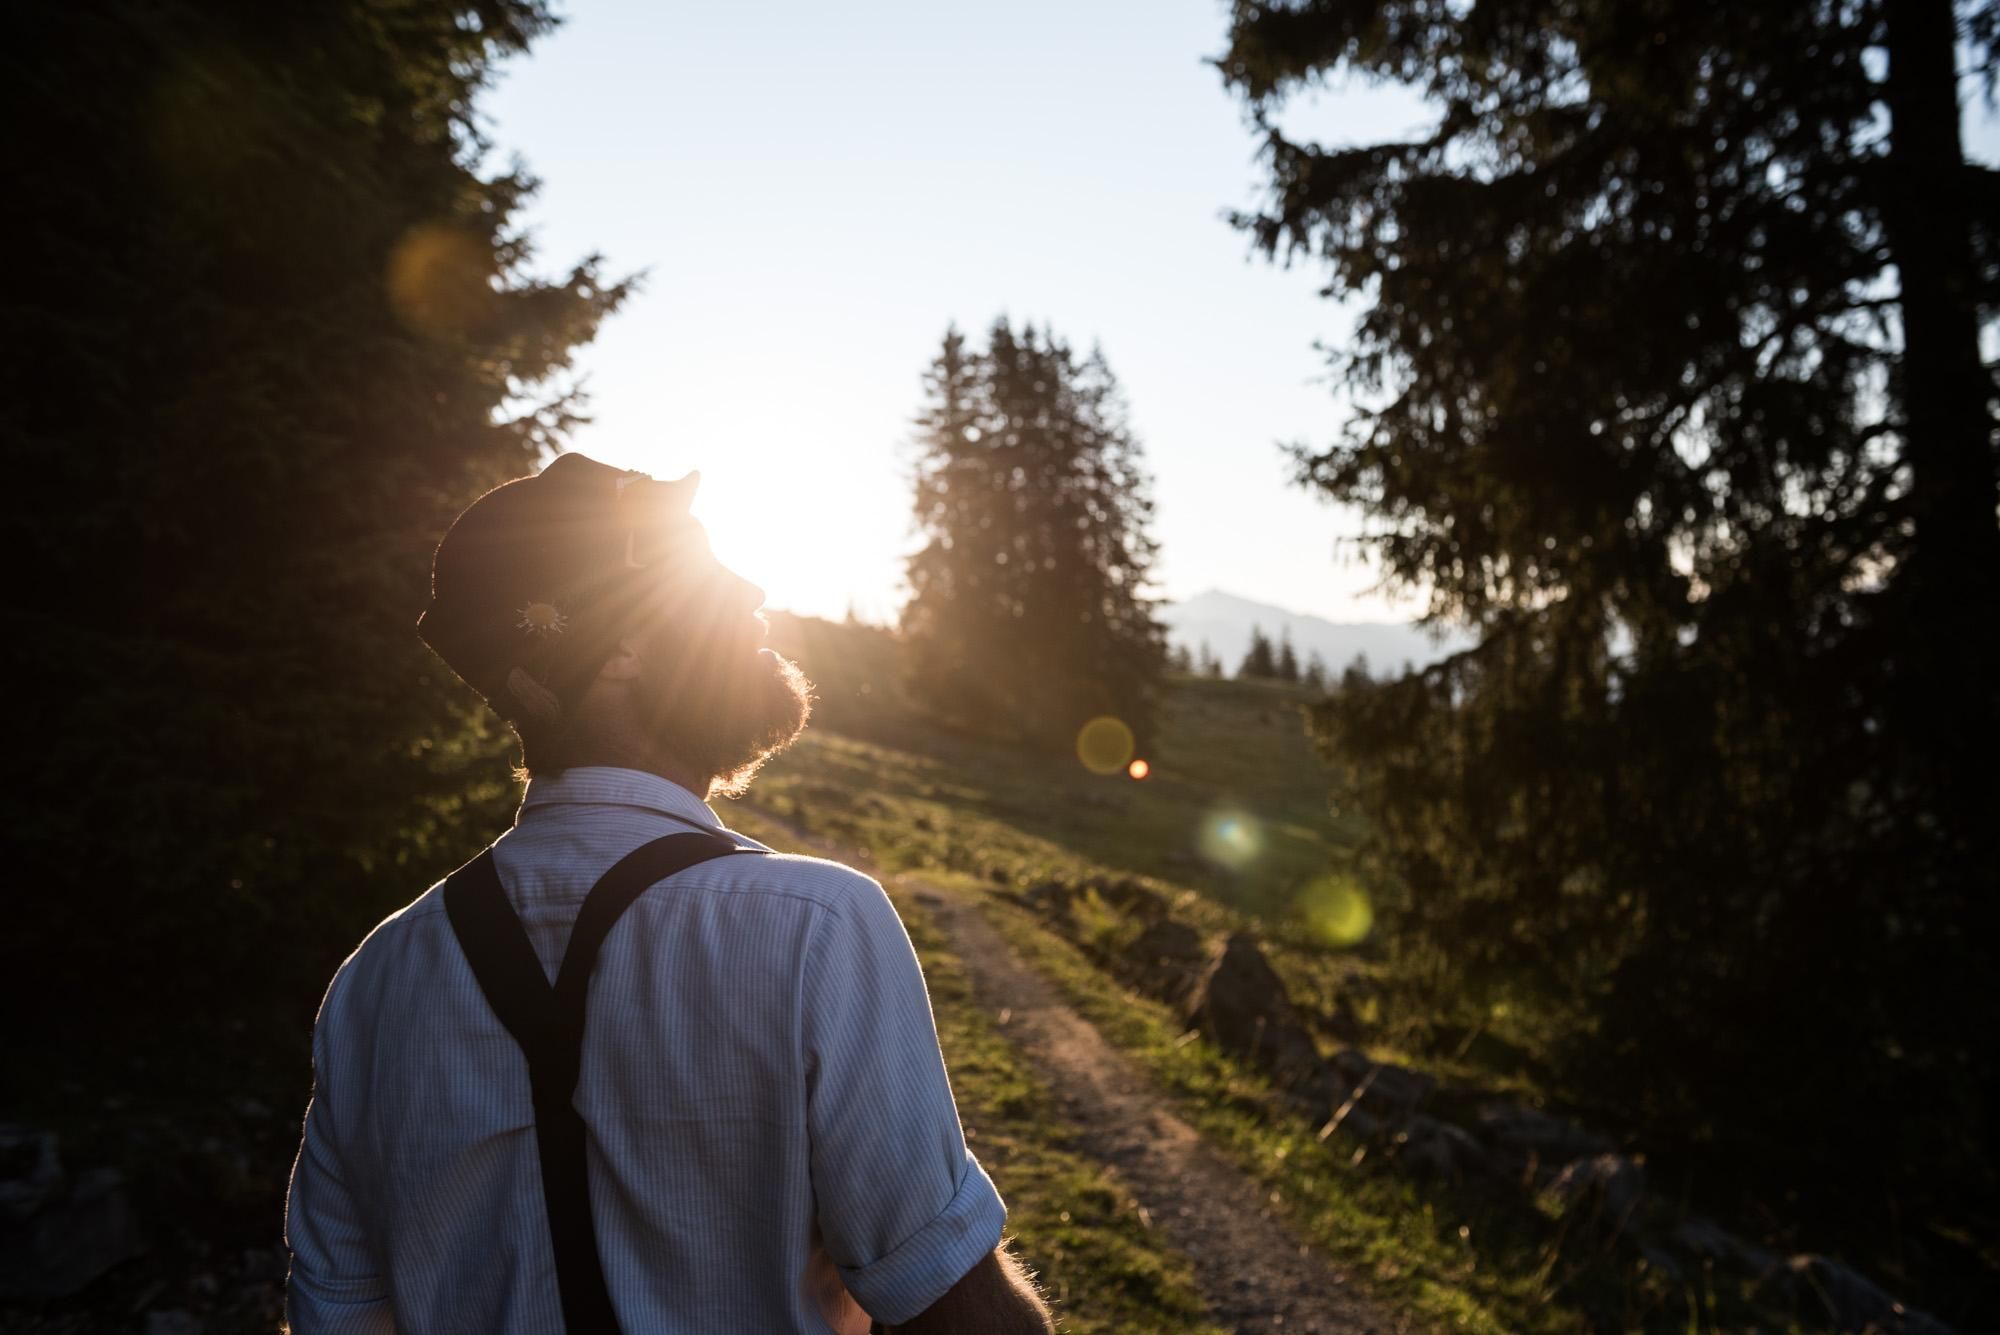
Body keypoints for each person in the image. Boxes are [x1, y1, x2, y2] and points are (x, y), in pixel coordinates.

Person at [284, 453, 1055, 1334]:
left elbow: (338, 1317)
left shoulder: (373, 983)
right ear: (617, 652)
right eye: (696, 573)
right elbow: (957, 1314)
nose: (751, 589)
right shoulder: (814, 928)